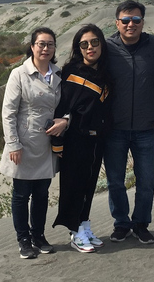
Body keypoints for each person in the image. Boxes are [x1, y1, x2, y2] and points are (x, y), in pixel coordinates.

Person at [0, 27, 65, 259]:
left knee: (42, 194)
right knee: (21, 194)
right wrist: (14, 144)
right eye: (41, 44)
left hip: (48, 144)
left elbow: (68, 107)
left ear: (55, 48)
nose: (45, 48)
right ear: (32, 46)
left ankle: (38, 235)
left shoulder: (59, 74)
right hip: (25, 143)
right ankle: (23, 240)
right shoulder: (19, 74)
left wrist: (65, 120)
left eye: (50, 44)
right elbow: (8, 113)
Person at [104, 0, 154, 244]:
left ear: (142, 22)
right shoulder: (106, 48)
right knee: (115, 181)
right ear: (117, 23)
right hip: (114, 129)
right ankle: (121, 223)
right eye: (125, 20)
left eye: (136, 20)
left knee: (147, 180)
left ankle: (140, 223)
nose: (131, 25)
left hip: (145, 128)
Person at [51, 24, 111, 253]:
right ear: (78, 48)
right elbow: (62, 108)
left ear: (101, 44)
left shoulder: (105, 73)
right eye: (84, 44)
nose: (90, 48)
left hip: (97, 140)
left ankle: (84, 225)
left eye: (94, 42)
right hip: (75, 139)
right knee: (73, 186)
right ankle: (75, 232)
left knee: (89, 185)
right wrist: (60, 137)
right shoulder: (70, 72)